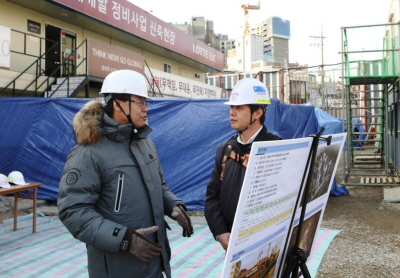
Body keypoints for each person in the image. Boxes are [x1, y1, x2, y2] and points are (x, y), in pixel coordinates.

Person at [58, 69, 193, 278]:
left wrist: (172, 205)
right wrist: (123, 238)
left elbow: (159, 185)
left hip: (153, 260)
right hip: (116, 267)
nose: (145, 109)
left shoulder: (145, 144)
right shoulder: (88, 152)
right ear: (117, 104)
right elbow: (73, 211)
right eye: (139, 102)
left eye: (145, 103)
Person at [204, 78, 281, 251]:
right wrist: (220, 232)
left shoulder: (277, 149)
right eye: (232, 107)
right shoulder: (225, 150)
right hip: (233, 242)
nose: (232, 112)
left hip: (267, 243)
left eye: (239, 107)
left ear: (257, 113)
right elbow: (212, 196)